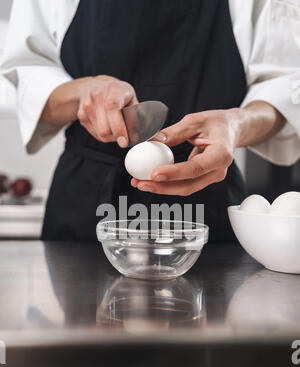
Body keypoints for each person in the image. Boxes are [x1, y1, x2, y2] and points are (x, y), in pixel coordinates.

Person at [1, 0, 300, 241]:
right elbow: (27, 70)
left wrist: (236, 124)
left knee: (210, 314)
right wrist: (82, 92)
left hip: (206, 197)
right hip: (85, 199)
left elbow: (284, 85)